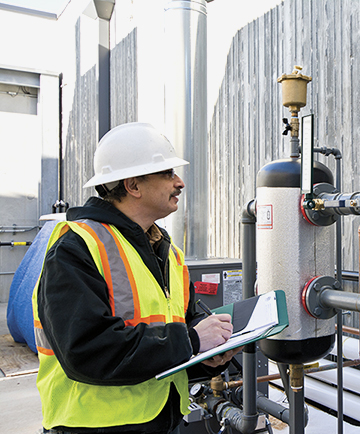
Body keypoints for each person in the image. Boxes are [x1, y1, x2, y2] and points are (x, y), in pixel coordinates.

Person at [33, 122, 238, 434]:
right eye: (168, 173)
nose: (179, 182)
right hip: (93, 427)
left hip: (162, 422)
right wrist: (194, 341)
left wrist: (211, 355)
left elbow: (182, 331)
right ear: (133, 186)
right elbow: (87, 350)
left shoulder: (169, 253)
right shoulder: (76, 247)